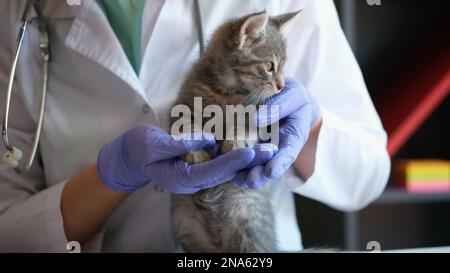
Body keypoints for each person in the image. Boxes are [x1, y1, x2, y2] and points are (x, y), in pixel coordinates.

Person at [0, 0, 390, 252]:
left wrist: (309, 124)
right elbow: (8, 230)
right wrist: (110, 176)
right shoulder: (16, 13)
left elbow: (367, 175)